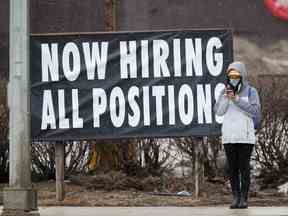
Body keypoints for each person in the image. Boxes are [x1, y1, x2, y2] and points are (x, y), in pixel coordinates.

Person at [214, 61, 261, 209]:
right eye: (230, 75)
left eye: (236, 75)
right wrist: (227, 99)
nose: (233, 78)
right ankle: (235, 197)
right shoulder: (224, 92)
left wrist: (237, 99)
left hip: (245, 137)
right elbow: (219, 111)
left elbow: (255, 111)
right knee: (232, 168)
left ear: (242, 76)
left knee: (244, 167)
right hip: (229, 136)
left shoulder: (250, 91)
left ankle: (244, 199)